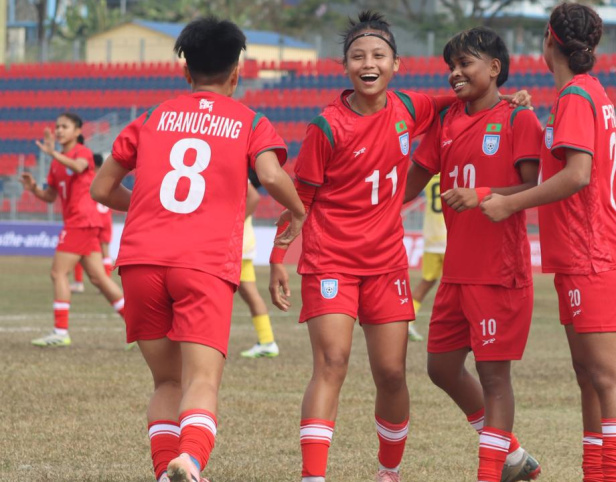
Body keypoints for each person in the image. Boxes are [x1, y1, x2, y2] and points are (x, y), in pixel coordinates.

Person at [266, 11, 531, 482]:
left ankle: (389, 474)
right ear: (345, 65)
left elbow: (466, 99)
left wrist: (507, 100)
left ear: (395, 64)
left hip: (386, 262)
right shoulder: (326, 127)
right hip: (330, 260)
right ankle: (313, 477)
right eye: (357, 56)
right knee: (332, 363)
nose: (368, 63)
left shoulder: (413, 108)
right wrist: (277, 257)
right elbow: (300, 199)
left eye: (378, 55)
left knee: (391, 373)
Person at [90, 17, 306, 482]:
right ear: (236, 74)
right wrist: (300, 211)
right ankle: (189, 459)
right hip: (203, 263)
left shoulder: (149, 117)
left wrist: (149, 208)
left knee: (166, 381)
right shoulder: (251, 121)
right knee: (202, 380)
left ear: (185, 72)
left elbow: (101, 188)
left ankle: (164, 473)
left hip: (141, 260)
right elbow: (269, 176)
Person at [481, 4, 616, 481]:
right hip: (580, 253)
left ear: (549, 43)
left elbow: (577, 175)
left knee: (606, 377)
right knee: (588, 376)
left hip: (596, 253)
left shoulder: (574, 95)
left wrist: (511, 204)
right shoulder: (580, 93)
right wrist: (529, 113)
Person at [404, 27, 542, 482]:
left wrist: (482, 192)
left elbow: (532, 187)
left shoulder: (519, 119)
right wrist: (368, 206)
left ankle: (491, 472)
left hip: (498, 272)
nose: (455, 73)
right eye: (451, 66)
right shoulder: (447, 121)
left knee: (494, 377)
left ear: (495, 67)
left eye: (466, 63)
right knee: (441, 367)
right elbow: (411, 180)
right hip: (458, 271)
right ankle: (515, 456)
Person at [19, 113, 126, 347]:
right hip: (81, 222)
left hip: (81, 220)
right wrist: (34, 188)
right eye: (57, 126)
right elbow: (50, 196)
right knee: (98, 278)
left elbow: (79, 167)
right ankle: (141, 328)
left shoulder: (81, 152)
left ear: (78, 131)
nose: (58, 130)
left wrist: (53, 153)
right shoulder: (56, 162)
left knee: (58, 273)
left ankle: (60, 332)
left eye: (64, 127)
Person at [238, 174, 281, 358]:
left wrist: (234, 223)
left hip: (235, 244)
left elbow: (253, 196)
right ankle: (267, 341)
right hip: (240, 244)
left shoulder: (235, 170)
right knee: (248, 292)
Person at [408, 173, 446, 342]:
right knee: (457, 286)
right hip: (450, 238)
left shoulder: (429, 176)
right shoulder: (453, 173)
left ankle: (408, 319)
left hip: (431, 237)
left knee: (426, 281)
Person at [71, 153, 114, 293]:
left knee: (79, 249)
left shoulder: (89, 178)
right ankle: (105, 284)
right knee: (105, 253)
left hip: (93, 220)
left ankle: (78, 283)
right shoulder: (107, 178)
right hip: (107, 218)